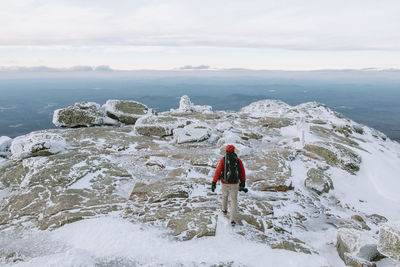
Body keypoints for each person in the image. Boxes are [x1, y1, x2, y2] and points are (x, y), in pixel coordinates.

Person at [211, 145, 246, 226]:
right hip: (235, 184)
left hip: (225, 183)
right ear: (234, 151)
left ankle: (224, 210)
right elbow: (242, 171)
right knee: (234, 201)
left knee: (224, 195)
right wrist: (243, 181)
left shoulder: (223, 160)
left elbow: (218, 171)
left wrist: (214, 182)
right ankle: (233, 220)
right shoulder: (238, 160)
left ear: (226, 151)